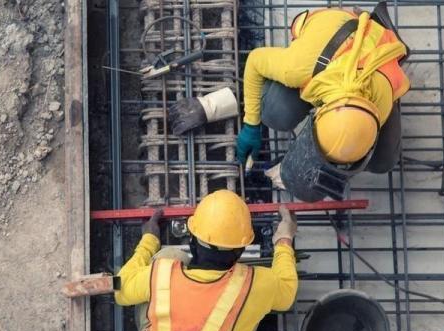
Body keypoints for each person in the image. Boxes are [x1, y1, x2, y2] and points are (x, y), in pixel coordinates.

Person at [169, 2, 410, 201]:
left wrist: (298, 171)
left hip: (376, 57)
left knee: (384, 161)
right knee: (274, 113)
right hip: (331, 36)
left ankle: (382, 29)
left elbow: (348, 143)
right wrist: (251, 123)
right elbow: (254, 62)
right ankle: (370, 20)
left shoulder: (383, 98)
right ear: (318, 113)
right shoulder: (299, 67)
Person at [114, 190, 298, 331]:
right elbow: (287, 292)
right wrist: (284, 239)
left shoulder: (161, 274)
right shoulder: (256, 284)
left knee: (169, 255)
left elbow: (120, 290)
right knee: (250, 305)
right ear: (240, 251)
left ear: (192, 241)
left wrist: (149, 239)